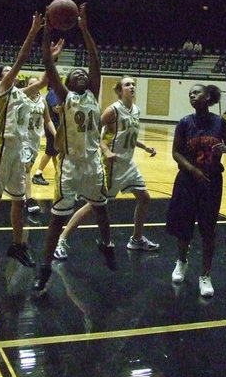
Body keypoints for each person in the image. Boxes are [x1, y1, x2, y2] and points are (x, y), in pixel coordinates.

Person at [33, 3, 112, 292]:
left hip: (92, 163)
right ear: (65, 83)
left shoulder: (92, 93)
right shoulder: (64, 97)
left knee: (101, 209)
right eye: (75, 73)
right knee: (57, 219)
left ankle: (107, 244)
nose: (81, 73)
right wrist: (46, 33)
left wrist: (84, 28)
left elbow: (94, 59)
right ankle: (44, 268)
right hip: (69, 165)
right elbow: (47, 63)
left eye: (83, 73)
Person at [0, 12, 64, 272]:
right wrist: (33, 33)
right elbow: (20, 61)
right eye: (6, 72)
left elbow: (43, 82)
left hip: (17, 152)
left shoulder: (19, 93)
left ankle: (17, 246)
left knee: (18, 200)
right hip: (1, 149)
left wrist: (52, 58)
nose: (12, 73)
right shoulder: (0, 91)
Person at [53, 75, 159, 261]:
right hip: (112, 166)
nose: (132, 87)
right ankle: (62, 239)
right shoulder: (112, 111)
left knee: (145, 198)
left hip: (128, 164)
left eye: (133, 84)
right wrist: (105, 150)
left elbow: (130, 136)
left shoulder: (136, 110)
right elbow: (92, 131)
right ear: (119, 91)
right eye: (127, 85)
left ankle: (137, 238)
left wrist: (144, 147)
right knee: (94, 205)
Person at [166, 84, 226, 298]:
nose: (191, 95)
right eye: (190, 93)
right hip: (187, 181)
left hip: (212, 182)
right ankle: (181, 262)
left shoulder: (220, 123)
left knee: (208, 230)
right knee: (184, 227)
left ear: (208, 97)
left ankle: (205, 275)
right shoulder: (185, 123)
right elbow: (176, 152)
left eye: (196, 92)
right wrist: (192, 170)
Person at [24, 76, 56, 214]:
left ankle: (19, 193)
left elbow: (48, 121)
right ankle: (29, 199)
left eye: (36, 83)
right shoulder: (22, 99)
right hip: (22, 138)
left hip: (34, 140)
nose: (33, 86)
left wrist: (56, 134)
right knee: (26, 168)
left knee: (27, 168)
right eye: (30, 84)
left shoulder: (42, 101)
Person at [32, 87, 60, 186]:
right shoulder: (53, 92)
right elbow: (55, 109)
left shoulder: (53, 93)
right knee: (50, 152)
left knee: (55, 152)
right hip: (54, 125)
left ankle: (59, 174)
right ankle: (38, 173)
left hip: (55, 125)